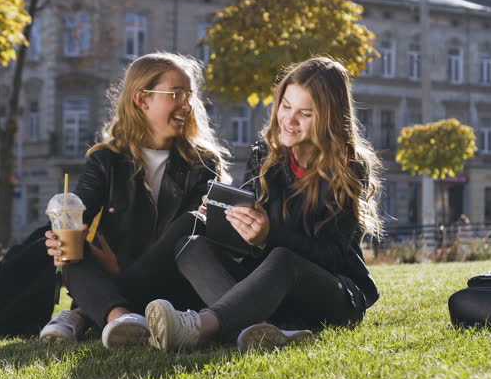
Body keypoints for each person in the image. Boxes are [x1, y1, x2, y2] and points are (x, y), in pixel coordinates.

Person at [144, 56, 383, 351]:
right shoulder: (264, 156)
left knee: (283, 259)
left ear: (328, 117)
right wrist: (225, 220)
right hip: (272, 293)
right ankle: (264, 331)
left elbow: (333, 256)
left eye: (305, 113)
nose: (289, 120)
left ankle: (201, 326)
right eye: (285, 106)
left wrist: (269, 235)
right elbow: (251, 247)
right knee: (190, 245)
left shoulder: (350, 167)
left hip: (332, 294)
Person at [41, 52, 229, 348]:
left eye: (189, 94)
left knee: (193, 223)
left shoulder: (203, 164)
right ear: (142, 99)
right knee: (72, 248)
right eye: (177, 94)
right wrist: (59, 241)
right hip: (110, 275)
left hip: (172, 287)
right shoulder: (106, 160)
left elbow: (190, 242)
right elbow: (78, 214)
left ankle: (85, 315)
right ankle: (121, 318)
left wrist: (122, 270)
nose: (188, 105)